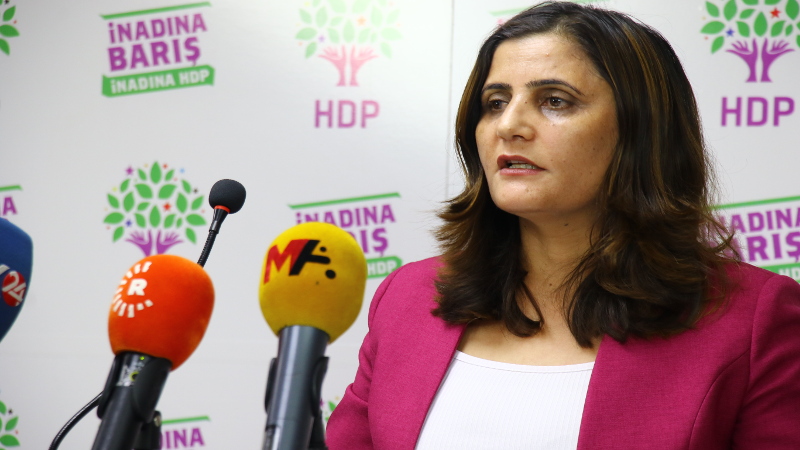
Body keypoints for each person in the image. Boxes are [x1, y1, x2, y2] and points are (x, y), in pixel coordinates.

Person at [326, 2, 800, 449]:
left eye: (555, 101)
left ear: (641, 131)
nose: (509, 125)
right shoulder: (407, 298)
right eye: (495, 102)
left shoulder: (752, 320)